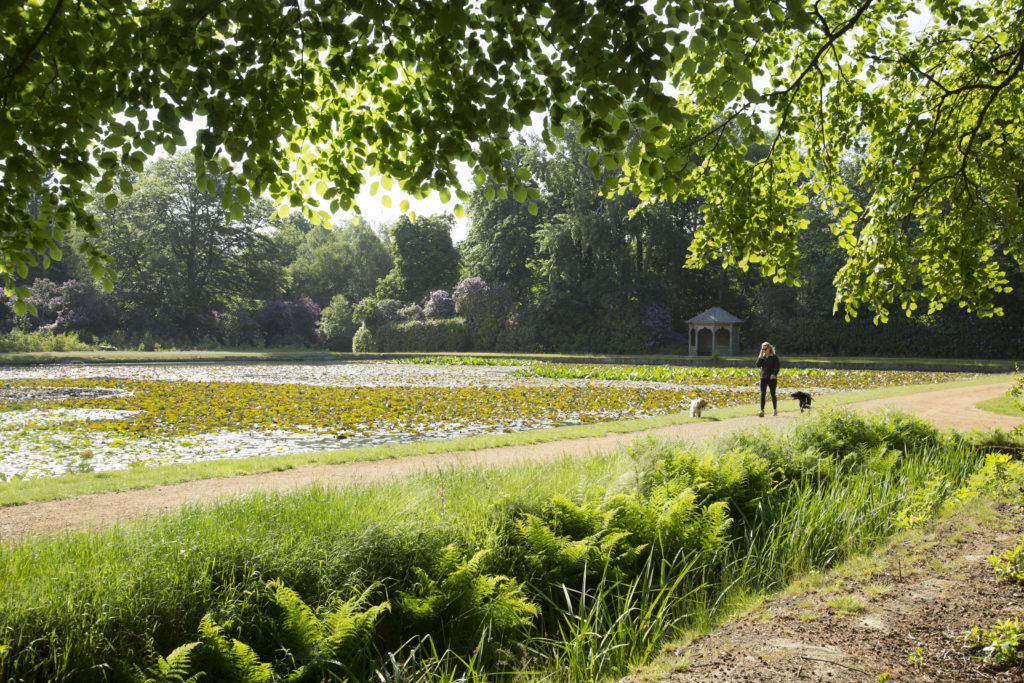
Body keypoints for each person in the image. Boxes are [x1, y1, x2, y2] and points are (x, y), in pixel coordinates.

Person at [756, 341, 780, 417]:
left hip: (771, 378)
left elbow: (777, 367)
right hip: (763, 377)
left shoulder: (774, 357)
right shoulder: (762, 357)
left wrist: (774, 374)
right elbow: (757, 365)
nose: (763, 350)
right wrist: (760, 357)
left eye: (765, 348)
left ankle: (775, 409)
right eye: (762, 348)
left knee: (773, 393)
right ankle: (762, 410)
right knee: (762, 394)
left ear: (769, 348)